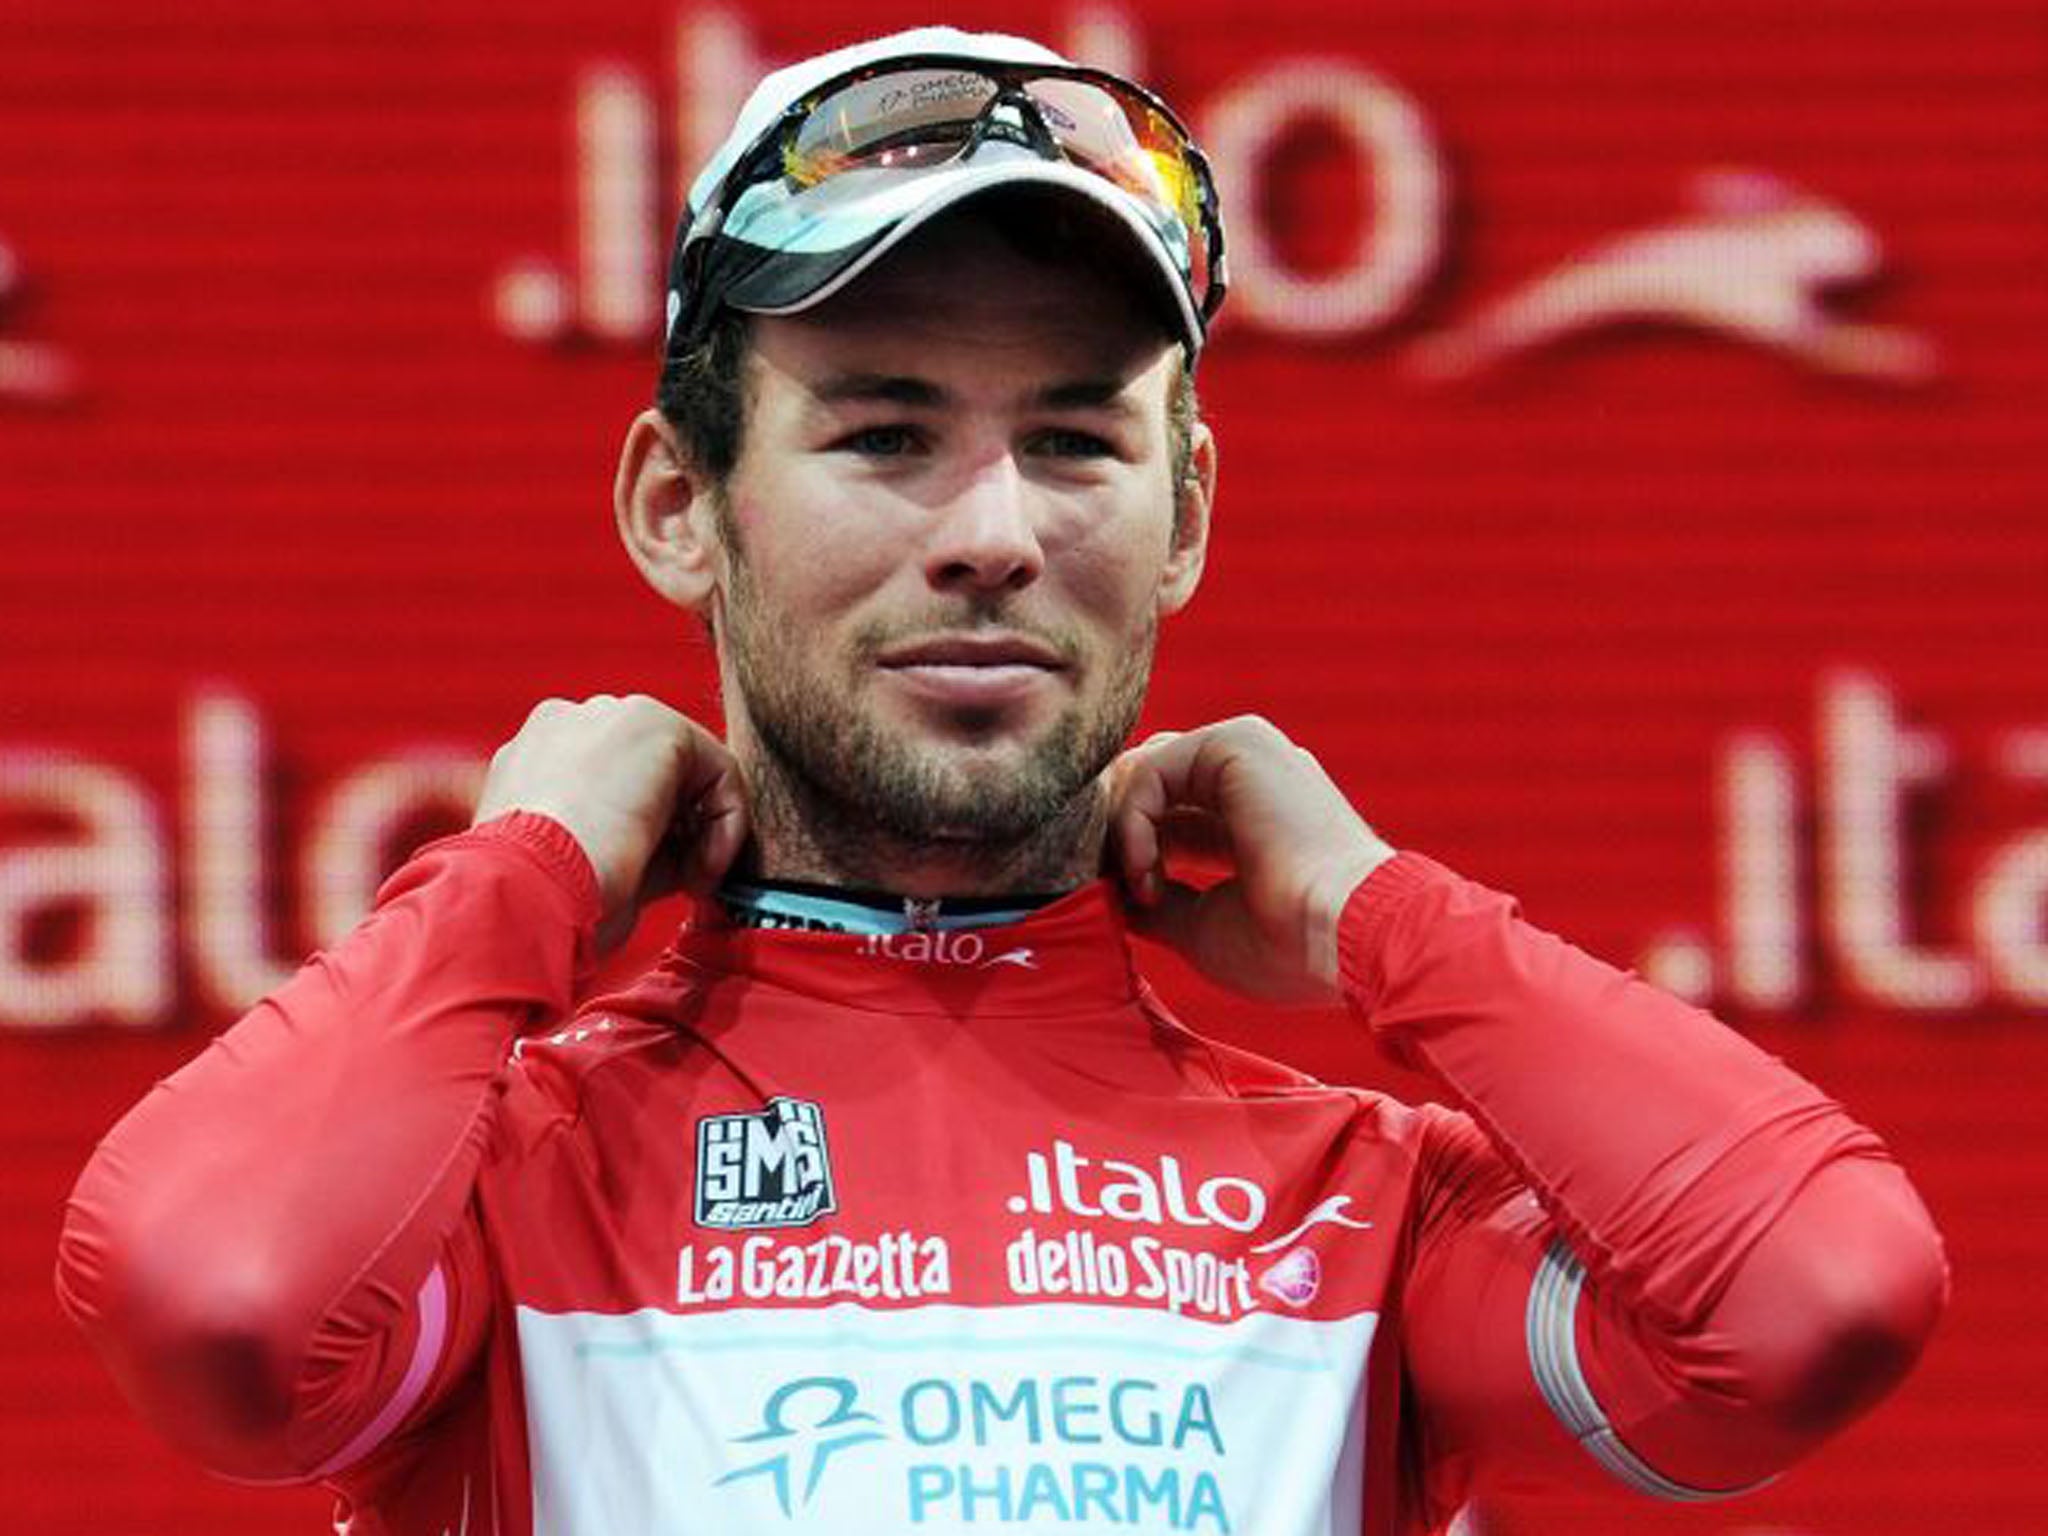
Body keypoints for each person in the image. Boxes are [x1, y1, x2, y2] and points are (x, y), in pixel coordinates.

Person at [57, 26, 1946, 1536]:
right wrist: (518, 874)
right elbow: (212, 1305)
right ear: (675, 505)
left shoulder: (1364, 1209)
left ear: (1187, 512)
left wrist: (1380, 916)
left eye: (1074, 442)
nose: (993, 533)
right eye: (886, 432)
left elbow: (1816, 1303)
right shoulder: (501, 1184)